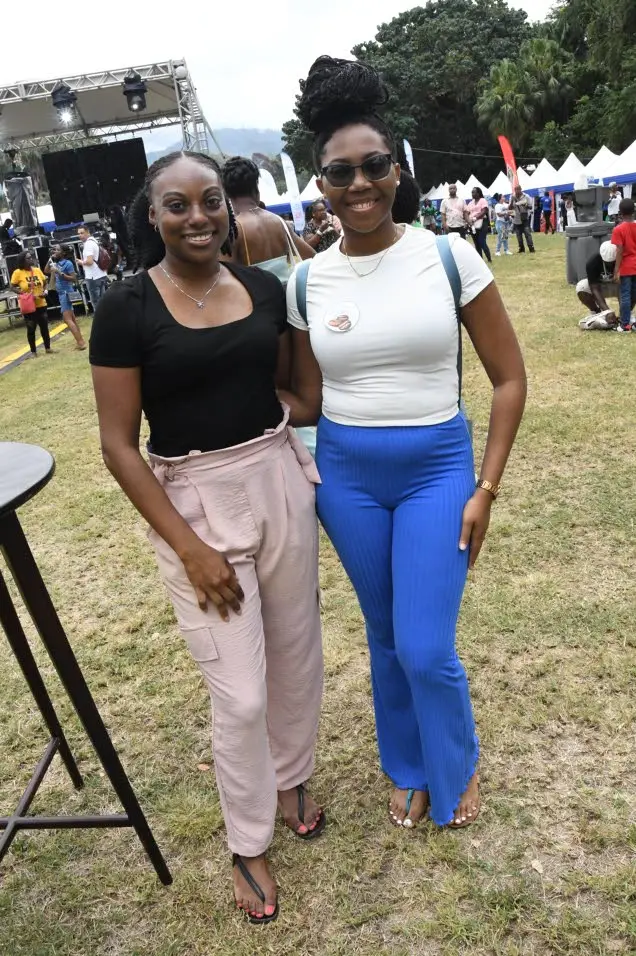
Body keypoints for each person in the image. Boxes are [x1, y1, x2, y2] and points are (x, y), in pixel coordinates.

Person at [282, 56, 526, 832]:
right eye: (340, 172)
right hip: (347, 477)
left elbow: (509, 380)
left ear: (397, 169)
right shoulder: (305, 282)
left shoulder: (449, 256)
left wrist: (485, 488)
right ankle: (409, 767)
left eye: (374, 165)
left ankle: (457, 761)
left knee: (425, 645)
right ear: (321, 184)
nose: (360, 184)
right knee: (386, 637)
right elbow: (306, 399)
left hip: (437, 469)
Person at [89, 151, 324, 924]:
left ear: (228, 206)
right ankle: (248, 841)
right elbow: (118, 445)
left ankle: (292, 778)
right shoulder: (127, 308)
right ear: (152, 215)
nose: (198, 217)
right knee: (241, 692)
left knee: (297, 655)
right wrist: (189, 548)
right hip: (193, 505)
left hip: (278, 479)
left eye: (211, 201)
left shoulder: (263, 289)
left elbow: (294, 393)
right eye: (178, 205)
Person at [221, 155, 314, 277]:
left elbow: (222, 276)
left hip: (254, 289)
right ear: (256, 188)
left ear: (226, 194)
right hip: (287, 289)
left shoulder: (234, 230)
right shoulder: (279, 222)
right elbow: (312, 256)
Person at [45, 244, 88, 350]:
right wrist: (50, 259)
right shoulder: (56, 263)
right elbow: (46, 271)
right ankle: (80, 341)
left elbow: (73, 278)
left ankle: (81, 343)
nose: (55, 251)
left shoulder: (68, 263)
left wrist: (59, 272)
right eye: (55, 250)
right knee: (72, 318)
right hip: (61, 293)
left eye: (57, 250)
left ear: (63, 253)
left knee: (67, 319)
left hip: (66, 293)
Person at [10, 250, 52, 357]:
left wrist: (45, 291)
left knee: (44, 327)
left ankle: (48, 348)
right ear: (23, 261)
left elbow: (45, 282)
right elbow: (12, 287)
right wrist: (23, 294)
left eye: (31, 257)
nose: (31, 259)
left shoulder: (37, 270)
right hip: (29, 305)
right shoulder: (18, 272)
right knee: (31, 328)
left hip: (41, 303)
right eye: (28, 258)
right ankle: (33, 351)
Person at [576, 241, 619, 327]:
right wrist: (607, 311)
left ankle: (626, 314)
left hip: (619, 287)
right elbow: (594, 288)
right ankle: (597, 312)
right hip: (601, 287)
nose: (610, 265)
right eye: (607, 262)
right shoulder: (593, 262)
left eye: (612, 262)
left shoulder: (624, 259)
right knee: (581, 287)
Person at [612, 197, 636, 331]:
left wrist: (616, 270)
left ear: (620, 212)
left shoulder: (618, 229)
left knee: (625, 295)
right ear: (634, 211)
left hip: (626, 267)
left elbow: (620, 251)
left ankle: (625, 324)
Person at [78, 224, 109, 312]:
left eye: (82, 233)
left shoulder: (88, 244)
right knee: (102, 301)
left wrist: (81, 262)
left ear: (87, 232)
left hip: (93, 277)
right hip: (101, 274)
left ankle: (100, 319)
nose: (80, 235)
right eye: (79, 233)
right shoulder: (94, 241)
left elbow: (89, 261)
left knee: (96, 302)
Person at [466, 187, 492, 263]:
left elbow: (484, 211)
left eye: (474, 192)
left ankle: (489, 259)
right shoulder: (470, 203)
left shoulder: (482, 200)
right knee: (476, 243)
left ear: (478, 193)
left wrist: (475, 218)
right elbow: (467, 213)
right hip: (472, 224)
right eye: (472, 192)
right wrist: (468, 221)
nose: (472, 194)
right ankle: (480, 260)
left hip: (482, 222)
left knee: (481, 241)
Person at [508, 185, 534, 253]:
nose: (516, 191)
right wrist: (512, 200)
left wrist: (524, 205)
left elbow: (530, 207)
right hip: (516, 218)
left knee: (527, 233)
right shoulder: (512, 197)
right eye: (515, 190)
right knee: (518, 235)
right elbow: (509, 208)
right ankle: (521, 248)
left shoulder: (526, 196)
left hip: (524, 217)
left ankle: (531, 247)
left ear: (521, 189)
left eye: (518, 190)